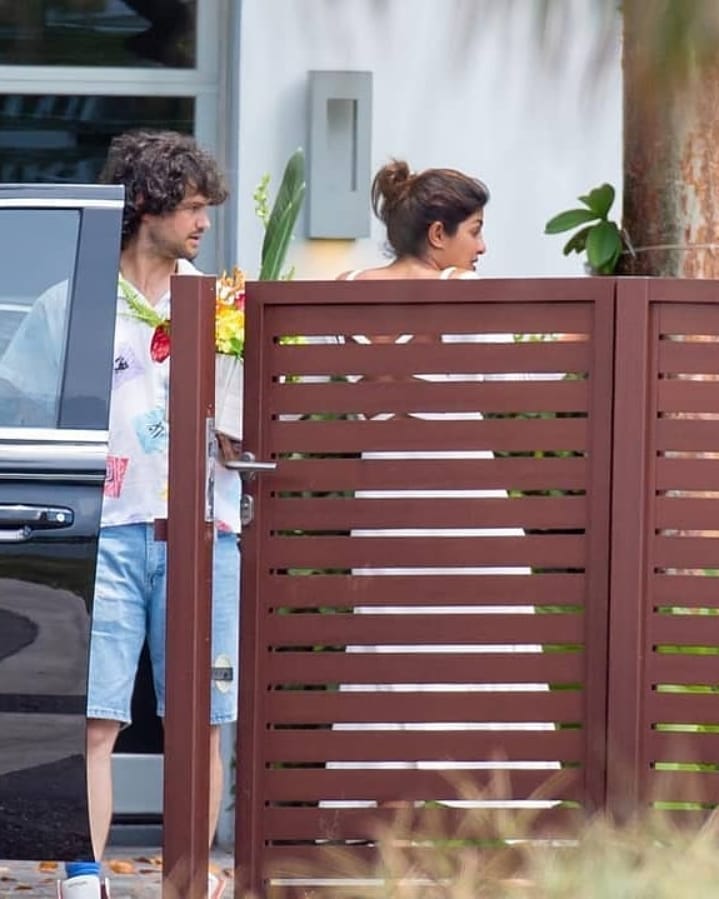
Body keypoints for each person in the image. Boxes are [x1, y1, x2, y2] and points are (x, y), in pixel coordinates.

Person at [0, 131, 240, 899]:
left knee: (199, 720)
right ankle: (81, 874)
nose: (204, 222)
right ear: (147, 205)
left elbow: (246, 423)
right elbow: (23, 405)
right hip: (101, 528)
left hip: (202, 529)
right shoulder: (71, 302)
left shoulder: (221, 303)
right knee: (92, 718)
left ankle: (188, 879)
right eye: (194, 206)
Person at [325, 160, 557, 812]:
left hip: (385, 507)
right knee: (480, 651)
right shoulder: (459, 291)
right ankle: (491, 813)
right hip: (463, 506)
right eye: (475, 231)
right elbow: (526, 376)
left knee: (388, 650)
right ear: (437, 234)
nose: (482, 247)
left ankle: (382, 812)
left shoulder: (343, 289)